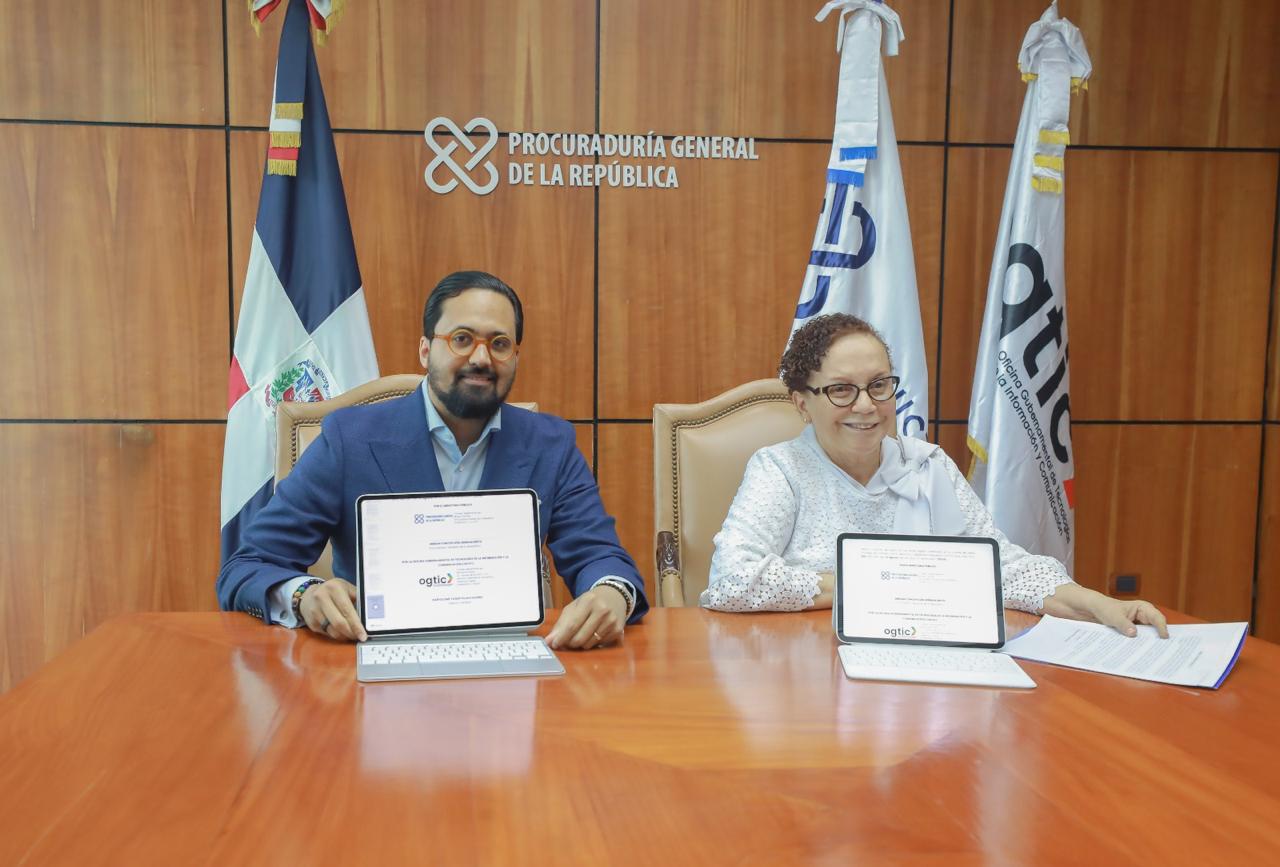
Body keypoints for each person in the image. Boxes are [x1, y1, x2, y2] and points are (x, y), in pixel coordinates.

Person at [218, 270, 647, 649]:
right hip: (375, 661)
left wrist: (612, 593)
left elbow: (599, 555)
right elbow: (248, 566)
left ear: (515, 356)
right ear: (425, 350)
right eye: (462, 339)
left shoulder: (550, 444)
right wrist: (304, 595)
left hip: (509, 665)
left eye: (500, 343)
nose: (481, 358)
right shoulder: (349, 439)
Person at [701, 313, 1168, 638]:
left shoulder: (928, 465)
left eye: (879, 385)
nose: (866, 406)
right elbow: (732, 581)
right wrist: (888, 583)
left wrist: (1097, 604)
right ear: (803, 403)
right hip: (811, 672)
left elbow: (1001, 569)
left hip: (927, 672)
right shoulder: (781, 469)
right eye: (841, 390)